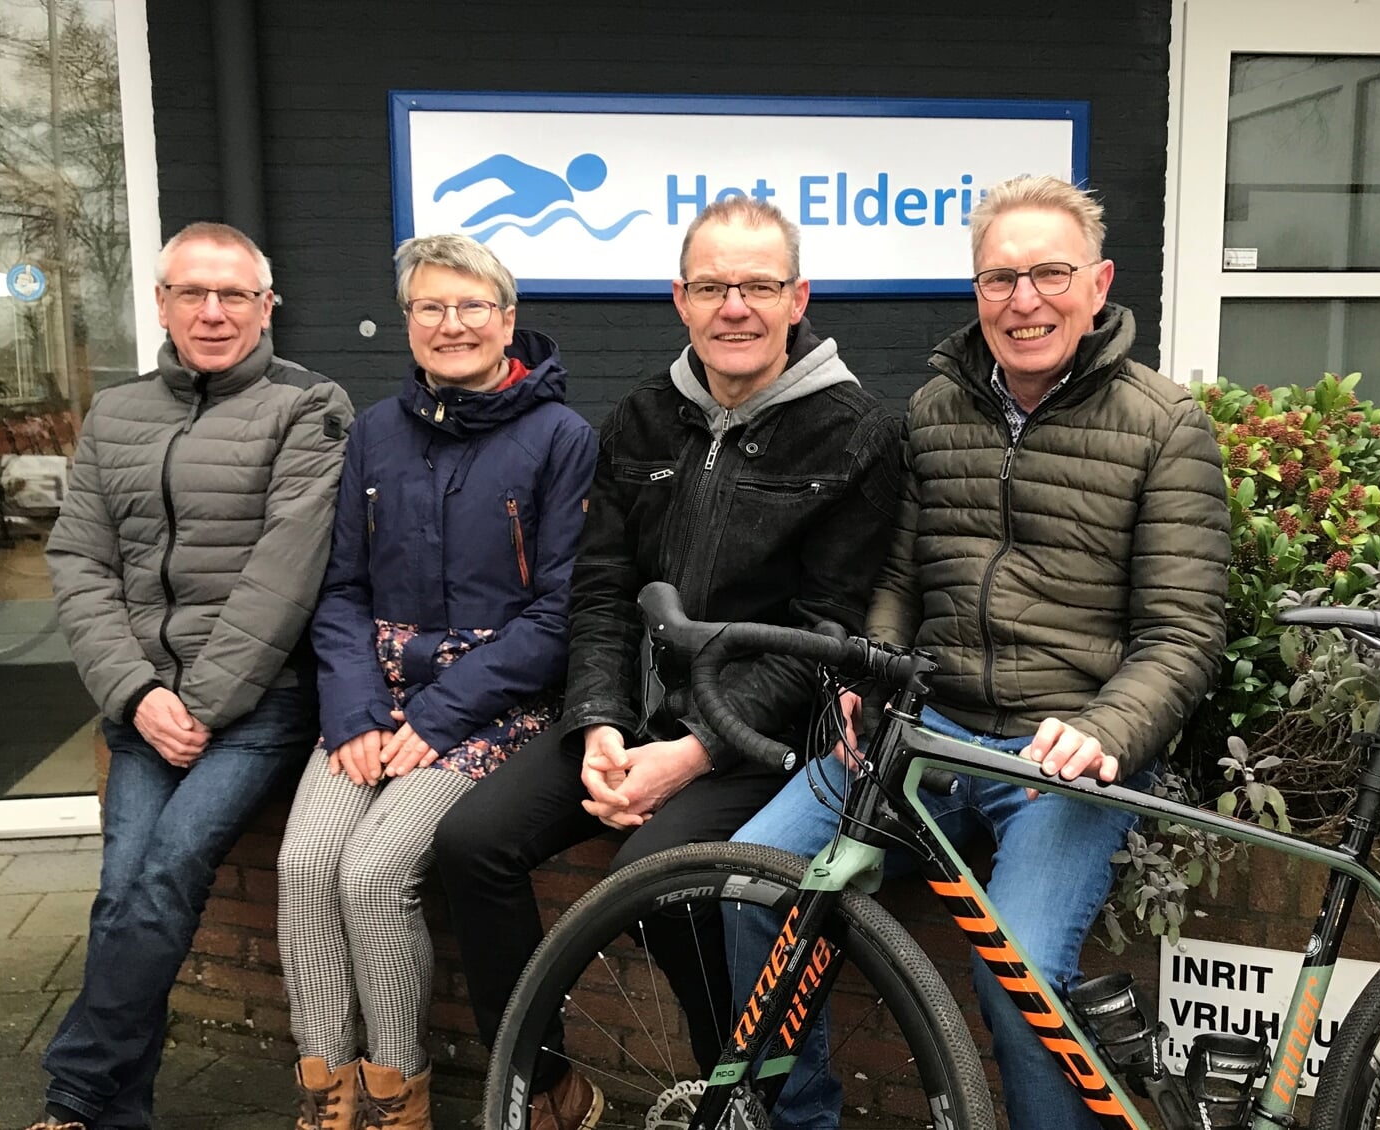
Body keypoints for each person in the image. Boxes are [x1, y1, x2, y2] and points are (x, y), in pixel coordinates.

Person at [730, 175, 1231, 1129]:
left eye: (1049, 274)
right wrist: (871, 675)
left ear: (1098, 284)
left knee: (1024, 972)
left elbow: (1183, 633)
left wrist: (1103, 733)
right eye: (1000, 278)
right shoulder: (933, 410)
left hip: (1063, 754)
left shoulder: (1167, 425)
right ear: (975, 291)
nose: (1024, 300)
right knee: (755, 879)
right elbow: (900, 583)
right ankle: (800, 1120)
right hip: (927, 733)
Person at [434, 196, 905, 1130]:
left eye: (759, 286)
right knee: (469, 846)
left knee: (663, 877)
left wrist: (690, 753)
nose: (735, 306)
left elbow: (825, 634)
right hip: (638, 719)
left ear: (797, 296)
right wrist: (602, 726)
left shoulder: (856, 433)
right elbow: (601, 594)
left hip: (764, 739)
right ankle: (548, 1088)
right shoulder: (642, 421)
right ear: (679, 300)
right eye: (711, 285)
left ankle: (738, 1097)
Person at [275, 235, 597, 1130]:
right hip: (372, 701)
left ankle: (397, 1097)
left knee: (375, 874)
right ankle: (326, 1096)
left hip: (493, 706)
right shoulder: (377, 432)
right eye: (430, 307)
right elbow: (340, 589)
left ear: (507, 319)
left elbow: (560, 613)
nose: (451, 325)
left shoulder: (562, 438)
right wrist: (354, 711)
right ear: (409, 322)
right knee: (306, 866)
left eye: (470, 307)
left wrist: (444, 712)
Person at [36, 222, 352, 1130]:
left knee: (169, 870)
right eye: (192, 293)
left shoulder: (309, 406)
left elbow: (286, 573)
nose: (213, 313)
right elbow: (79, 561)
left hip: (259, 705)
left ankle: (75, 1096)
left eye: (235, 296)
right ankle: (115, 1112)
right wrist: (138, 693)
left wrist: (201, 703)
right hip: (144, 699)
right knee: (122, 889)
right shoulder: (116, 414)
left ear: (265, 307)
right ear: (163, 303)